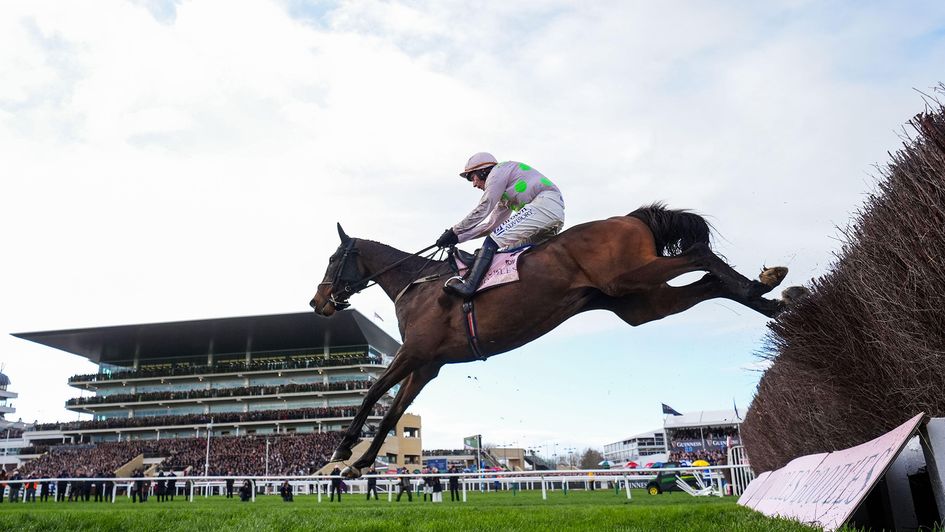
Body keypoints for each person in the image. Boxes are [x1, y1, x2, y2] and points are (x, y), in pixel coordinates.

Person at [435, 152, 565, 298]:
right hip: (549, 213)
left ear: (483, 171)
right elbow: (491, 225)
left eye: (472, 178)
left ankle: (470, 286)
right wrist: (458, 238)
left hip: (544, 205)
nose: (474, 184)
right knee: (507, 252)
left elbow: (484, 207)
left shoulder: (497, 172)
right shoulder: (505, 194)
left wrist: (454, 230)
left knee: (492, 241)